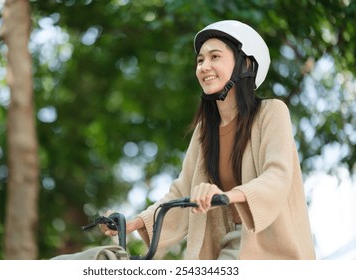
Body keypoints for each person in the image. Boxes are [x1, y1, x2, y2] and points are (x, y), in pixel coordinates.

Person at [104, 20, 316, 260]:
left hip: (271, 250)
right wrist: (131, 224)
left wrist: (225, 195)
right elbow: (182, 191)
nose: (204, 66)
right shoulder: (206, 130)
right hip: (228, 246)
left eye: (215, 57)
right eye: (200, 60)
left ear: (245, 64)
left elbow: (277, 176)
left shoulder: (272, 112)